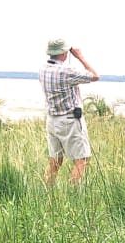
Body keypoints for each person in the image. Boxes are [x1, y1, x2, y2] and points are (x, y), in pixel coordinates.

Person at [40, 38, 99, 184]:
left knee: (55, 160)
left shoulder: (43, 69)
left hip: (52, 120)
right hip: (69, 121)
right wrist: (80, 57)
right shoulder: (66, 71)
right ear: (63, 52)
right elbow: (95, 76)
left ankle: (48, 192)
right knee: (82, 160)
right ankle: (74, 195)